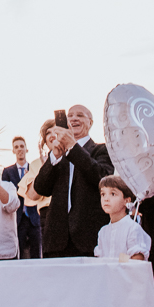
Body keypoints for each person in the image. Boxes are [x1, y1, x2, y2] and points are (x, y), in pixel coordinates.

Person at [33, 104, 115, 258]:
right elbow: (40, 188)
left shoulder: (101, 150)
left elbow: (102, 178)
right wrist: (54, 158)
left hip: (89, 239)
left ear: (90, 122)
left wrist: (73, 147)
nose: (74, 118)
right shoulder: (57, 154)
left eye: (80, 115)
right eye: (70, 116)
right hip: (57, 240)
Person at [3, 136, 42, 259]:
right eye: (16, 147)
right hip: (18, 219)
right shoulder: (7, 172)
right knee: (18, 253)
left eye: (21, 146)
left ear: (26, 149)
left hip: (34, 218)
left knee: (36, 253)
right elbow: (6, 195)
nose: (19, 149)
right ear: (13, 151)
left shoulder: (35, 169)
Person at [94, 176, 151, 260]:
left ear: (127, 200)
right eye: (103, 194)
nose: (106, 199)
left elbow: (137, 260)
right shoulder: (103, 232)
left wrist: (120, 264)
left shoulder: (132, 228)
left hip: (127, 272)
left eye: (113, 194)